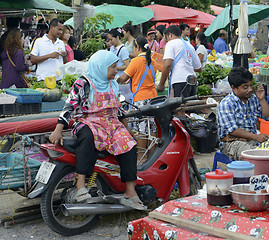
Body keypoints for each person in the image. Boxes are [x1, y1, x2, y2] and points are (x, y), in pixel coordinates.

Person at [49, 50, 146, 210]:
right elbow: (69, 106)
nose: (116, 71)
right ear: (101, 67)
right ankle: (81, 185)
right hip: (88, 122)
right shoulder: (83, 83)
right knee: (87, 137)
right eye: (113, 68)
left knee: (129, 144)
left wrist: (128, 131)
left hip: (112, 125)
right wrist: (58, 130)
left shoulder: (113, 84)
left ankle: (130, 190)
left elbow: (119, 110)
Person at [217, 67, 269, 160]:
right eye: (245, 87)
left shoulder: (253, 98)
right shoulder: (227, 103)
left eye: (251, 85)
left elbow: (267, 116)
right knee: (255, 156)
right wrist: (256, 137)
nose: (250, 89)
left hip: (252, 140)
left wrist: (261, 99)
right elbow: (232, 130)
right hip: (231, 143)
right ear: (233, 87)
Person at [118, 37, 157, 160]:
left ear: (138, 48)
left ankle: (141, 157)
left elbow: (122, 78)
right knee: (151, 127)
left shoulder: (136, 61)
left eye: (134, 48)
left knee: (141, 129)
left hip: (140, 99)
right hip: (153, 98)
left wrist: (115, 80)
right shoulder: (152, 60)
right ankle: (153, 156)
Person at [157, 25, 201, 97]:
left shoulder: (171, 43)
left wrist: (161, 84)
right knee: (191, 106)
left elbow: (167, 64)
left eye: (167, 38)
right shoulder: (190, 46)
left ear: (170, 35)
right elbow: (198, 68)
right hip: (192, 81)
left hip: (179, 82)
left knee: (180, 107)